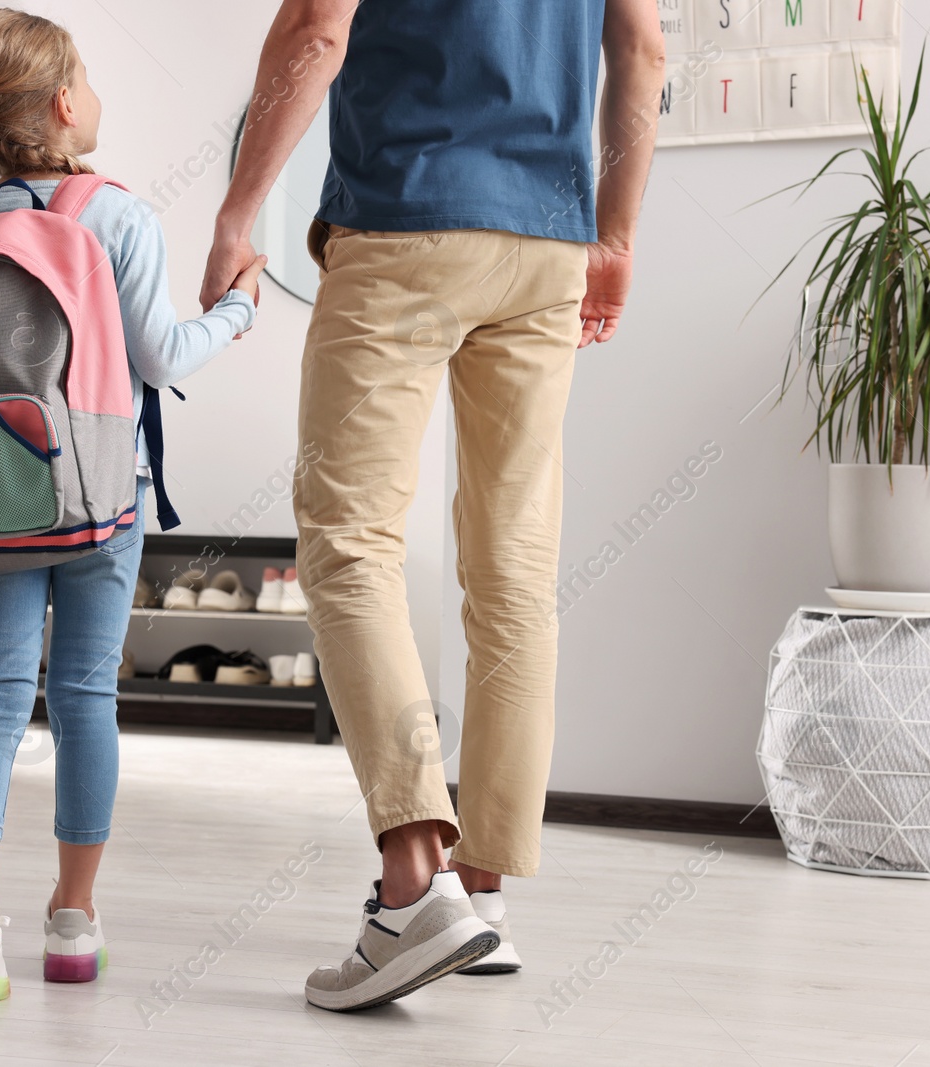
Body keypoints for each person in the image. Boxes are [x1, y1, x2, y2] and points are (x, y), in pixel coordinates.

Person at [201, 0, 666, 1011]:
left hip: (405, 216)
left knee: (347, 539)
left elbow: (318, 28)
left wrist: (239, 210)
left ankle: (416, 884)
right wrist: (615, 231)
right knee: (512, 563)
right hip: (548, 235)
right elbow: (639, 47)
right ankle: (481, 901)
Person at [0, 8, 266, 1003]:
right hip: (95, 495)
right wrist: (238, 307)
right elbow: (160, 356)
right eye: (90, 76)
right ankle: (72, 920)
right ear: (66, 101)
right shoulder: (116, 214)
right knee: (83, 697)